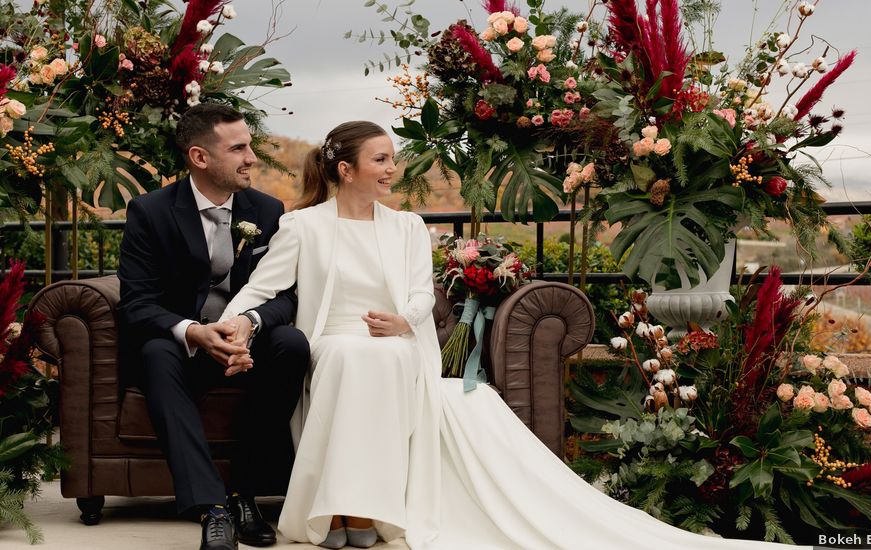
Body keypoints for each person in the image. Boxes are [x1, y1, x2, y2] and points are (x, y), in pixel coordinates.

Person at [220, 121, 805, 550]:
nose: (390, 169)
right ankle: (343, 511)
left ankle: (370, 509)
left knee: (381, 359)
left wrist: (404, 322)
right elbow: (262, 289)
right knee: (351, 356)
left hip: (398, 339)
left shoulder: (405, 227)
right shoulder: (303, 226)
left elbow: (421, 294)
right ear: (345, 169)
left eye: (391, 159)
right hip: (337, 336)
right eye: (380, 159)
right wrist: (232, 325)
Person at [117, 103, 309, 550]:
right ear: (200, 158)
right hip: (182, 350)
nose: (251, 158)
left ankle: (244, 494)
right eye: (238, 148)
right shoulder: (150, 212)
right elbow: (138, 303)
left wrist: (249, 323)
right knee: (156, 353)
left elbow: (285, 293)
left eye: (250, 146)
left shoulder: (267, 209)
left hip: (246, 345)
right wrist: (194, 332)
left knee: (292, 343)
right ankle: (212, 508)